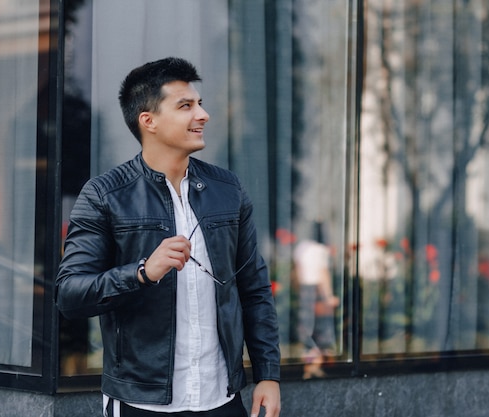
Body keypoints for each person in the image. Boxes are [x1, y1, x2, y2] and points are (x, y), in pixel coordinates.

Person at [56, 57, 281, 417]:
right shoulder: (105, 195)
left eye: (200, 104)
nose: (202, 115)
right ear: (149, 121)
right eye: (185, 106)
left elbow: (253, 289)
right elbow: (70, 295)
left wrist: (268, 375)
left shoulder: (228, 189)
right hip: (141, 403)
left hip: (221, 398)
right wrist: (142, 272)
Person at [292, 222, 338, 379]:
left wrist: (299, 291)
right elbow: (323, 273)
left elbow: (297, 270)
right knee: (320, 330)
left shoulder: (301, 247)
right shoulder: (321, 250)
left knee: (307, 326)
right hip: (318, 290)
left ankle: (309, 366)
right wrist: (329, 296)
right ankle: (315, 366)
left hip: (304, 288)